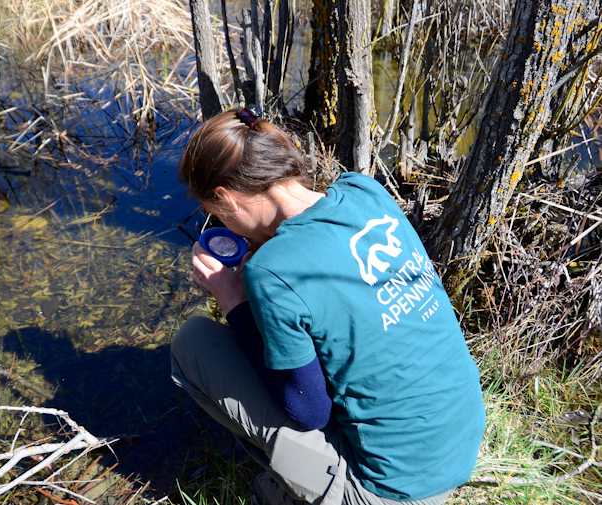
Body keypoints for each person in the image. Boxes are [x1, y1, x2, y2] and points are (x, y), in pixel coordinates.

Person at [170, 108, 485, 505]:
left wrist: (232, 298)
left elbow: (307, 412)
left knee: (193, 342)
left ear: (227, 199)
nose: (223, 225)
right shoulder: (364, 192)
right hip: (457, 444)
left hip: (392, 492)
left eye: (216, 215)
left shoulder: (272, 271)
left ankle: (292, 489)